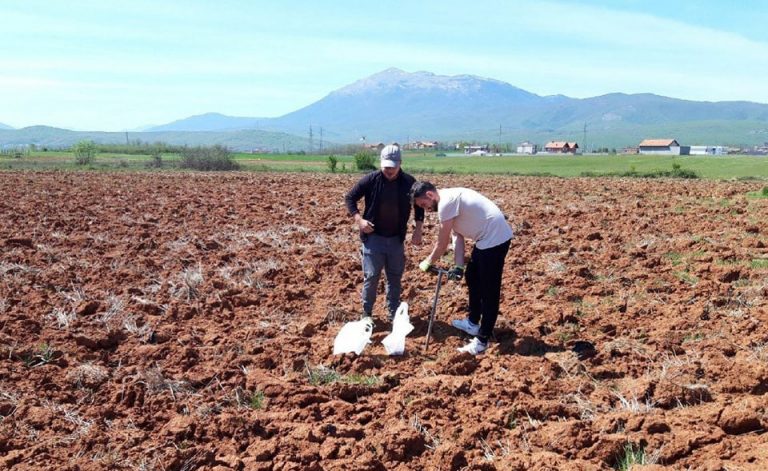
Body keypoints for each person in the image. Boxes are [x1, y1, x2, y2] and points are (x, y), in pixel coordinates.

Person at [410, 181, 513, 355]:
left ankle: (482, 340)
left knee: (489, 291)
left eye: (423, 204)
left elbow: (441, 244)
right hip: (486, 239)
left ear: (429, 195)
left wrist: (428, 261)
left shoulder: (446, 203)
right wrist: (458, 265)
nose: (425, 209)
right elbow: (457, 236)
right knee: (472, 276)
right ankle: (473, 323)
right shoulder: (447, 202)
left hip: (494, 239)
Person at [345, 145, 424, 323]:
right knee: (371, 276)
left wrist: (418, 229)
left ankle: (393, 312)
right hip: (373, 238)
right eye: (386, 166)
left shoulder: (409, 182)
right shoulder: (371, 180)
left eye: (393, 167)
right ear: (381, 164)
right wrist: (359, 220)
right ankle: (366, 314)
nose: (389, 170)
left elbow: (419, 205)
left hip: (396, 238)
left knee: (394, 277)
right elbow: (350, 198)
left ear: (400, 163)